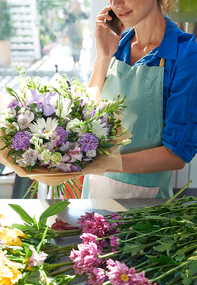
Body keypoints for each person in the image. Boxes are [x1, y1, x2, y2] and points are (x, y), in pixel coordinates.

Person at [81, 0, 197, 199]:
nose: (116, 3)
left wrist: (101, 163)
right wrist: (103, 55)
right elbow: (87, 115)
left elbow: (176, 155)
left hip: (143, 208)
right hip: (94, 192)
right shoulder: (117, 43)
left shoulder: (185, 55)